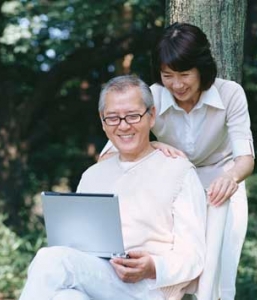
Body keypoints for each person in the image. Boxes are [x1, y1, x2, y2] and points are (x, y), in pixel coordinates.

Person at [101, 23, 255, 300]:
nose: (177, 84)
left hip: (222, 186)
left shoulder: (231, 93)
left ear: (202, 69)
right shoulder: (153, 95)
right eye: (168, 75)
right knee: (173, 274)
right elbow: (109, 153)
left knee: (218, 278)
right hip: (174, 191)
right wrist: (155, 143)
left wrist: (230, 178)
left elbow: (245, 158)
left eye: (185, 74)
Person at [19, 75, 207, 300]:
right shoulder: (92, 175)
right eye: (113, 118)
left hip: (149, 290)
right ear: (102, 121)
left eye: (133, 116)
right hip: (98, 280)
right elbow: (75, 246)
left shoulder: (179, 171)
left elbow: (194, 256)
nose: (124, 125)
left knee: (51, 259)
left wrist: (153, 266)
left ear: (151, 115)